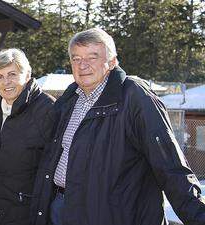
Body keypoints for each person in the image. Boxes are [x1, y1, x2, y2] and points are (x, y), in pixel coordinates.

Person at [31, 28, 205, 225]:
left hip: (111, 214)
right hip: (62, 208)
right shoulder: (69, 100)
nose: (83, 65)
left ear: (112, 62)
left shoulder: (134, 96)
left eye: (92, 57)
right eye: (76, 59)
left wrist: (198, 216)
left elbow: (170, 165)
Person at [0, 48, 55, 225]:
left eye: (12, 74)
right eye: (0, 76)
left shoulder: (47, 110)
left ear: (27, 74)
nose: (6, 82)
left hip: (26, 215)